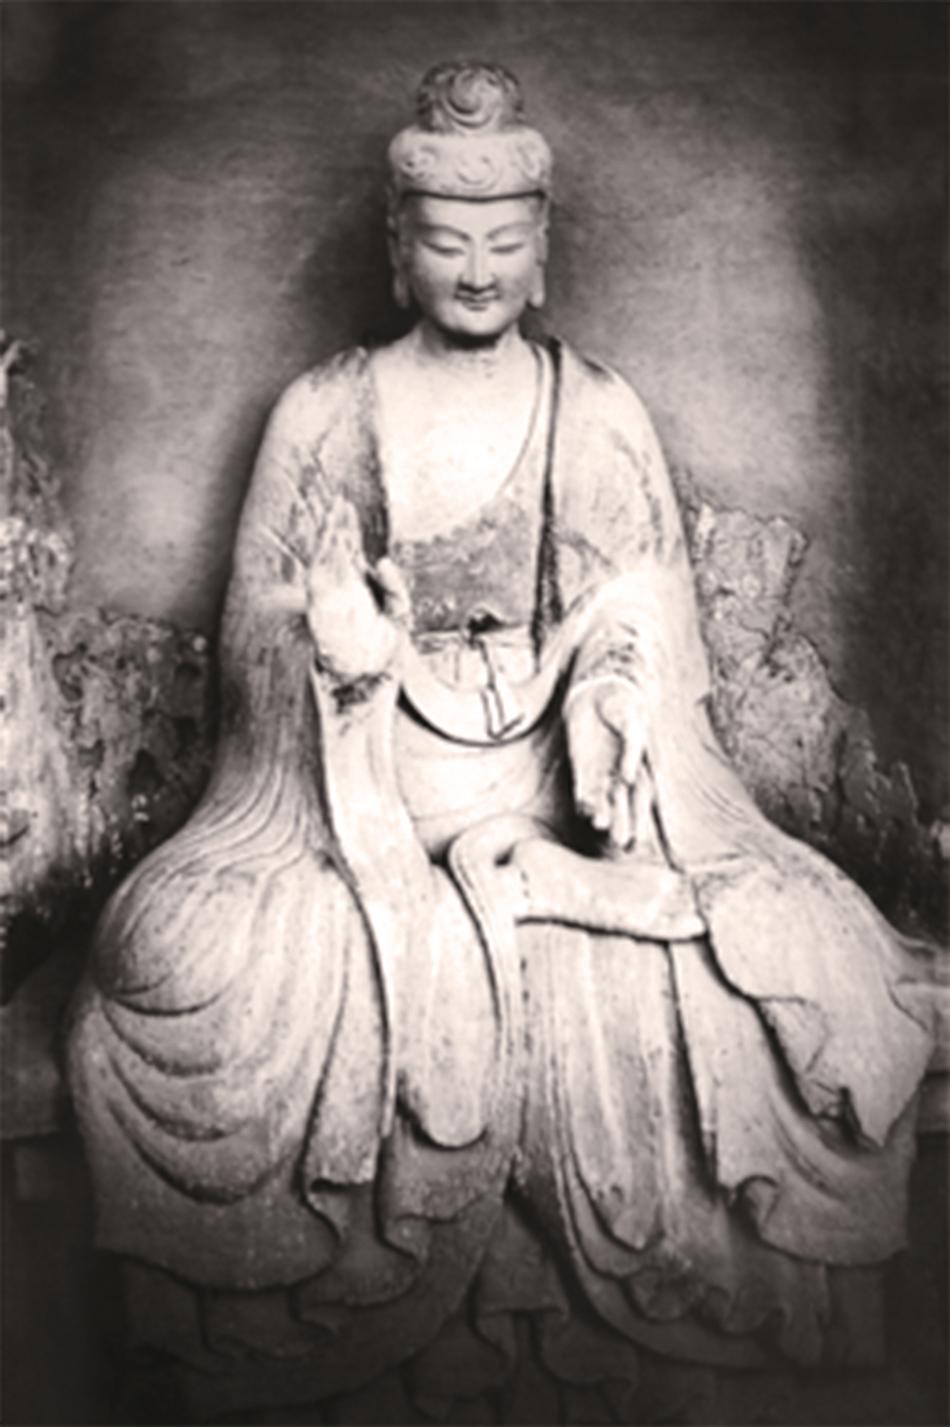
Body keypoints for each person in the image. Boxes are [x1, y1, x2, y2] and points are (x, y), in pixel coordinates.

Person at [67, 63, 938, 1424]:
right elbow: (252, 652)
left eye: (502, 240)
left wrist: (612, 701)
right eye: (443, 239)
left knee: (803, 932)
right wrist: (336, 647)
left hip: (551, 782)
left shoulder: (594, 409)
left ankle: (574, 893)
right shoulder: (323, 412)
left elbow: (643, 614)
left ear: (543, 252)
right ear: (395, 249)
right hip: (355, 795)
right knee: (167, 954)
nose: (474, 269)